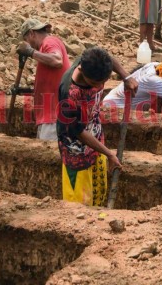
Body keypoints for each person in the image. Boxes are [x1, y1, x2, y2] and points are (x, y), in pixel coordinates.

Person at [56, 47, 137, 206]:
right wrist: (110, 154)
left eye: (104, 81)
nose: (100, 86)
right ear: (82, 71)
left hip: (96, 142)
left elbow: (108, 59)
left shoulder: (92, 60)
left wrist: (126, 76)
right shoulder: (70, 94)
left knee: (98, 195)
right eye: (95, 83)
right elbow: (79, 132)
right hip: (76, 153)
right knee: (79, 205)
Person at [17, 18, 71, 140]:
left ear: (31, 33)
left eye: (26, 40)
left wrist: (30, 52)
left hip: (53, 118)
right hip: (49, 117)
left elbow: (57, 61)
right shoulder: (44, 50)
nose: (29, 44)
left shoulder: (49, 41)